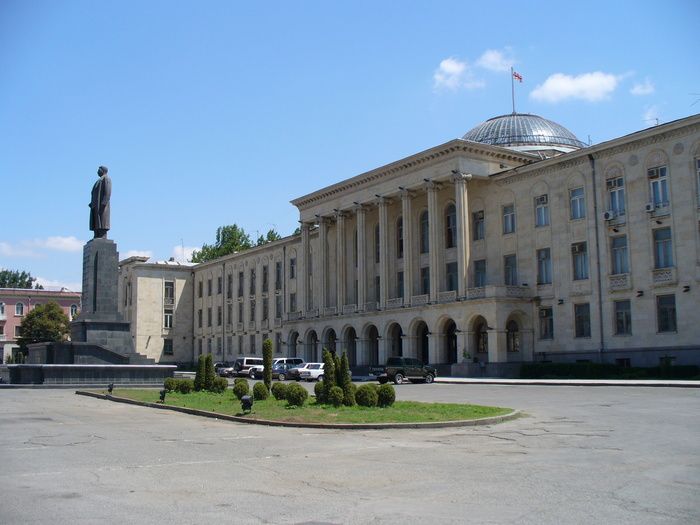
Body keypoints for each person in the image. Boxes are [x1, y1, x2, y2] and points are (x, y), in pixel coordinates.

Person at [89, 166, 111, 238]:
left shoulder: (106, 178)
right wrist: (92, 203)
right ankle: (96, 234)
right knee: (96, 221)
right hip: (95, 205)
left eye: (99, 170)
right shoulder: (99, 180)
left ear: (103, 170)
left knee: (102, 221)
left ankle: (102, 235)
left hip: (101, 205)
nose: (97, 171)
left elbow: (107, 192)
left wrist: (103, 203)